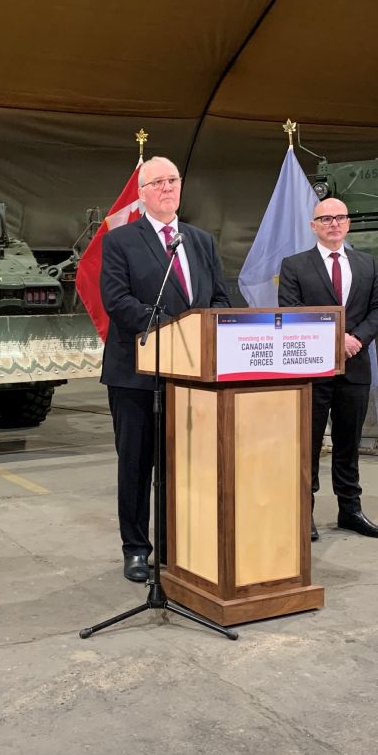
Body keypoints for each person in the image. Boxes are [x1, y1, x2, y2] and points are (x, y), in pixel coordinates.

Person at [100, 156, 231, 582]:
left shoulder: (201, 241)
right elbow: (118, 302)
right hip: (137, 374)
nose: (168, 188)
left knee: (184, 465)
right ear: (142, 193)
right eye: (158, 182)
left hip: (193, 375)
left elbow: (221, 301)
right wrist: (174, 331)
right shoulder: (120, 241)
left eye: (173, 180)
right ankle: (137, 548)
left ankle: (178, 546)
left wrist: (205, 332)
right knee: (137, 465)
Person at [279, 197, 378, 541]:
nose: (333, 224)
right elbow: (291, 310)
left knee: (348, 443)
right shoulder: (295, 265)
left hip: (355, 369)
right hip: (311, 370)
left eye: (339, 217)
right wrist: (334, 337)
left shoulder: (367, 263)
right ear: (314, 226)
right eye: (325, 219)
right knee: (307, 444)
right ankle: (302, 512)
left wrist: (356, 338)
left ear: (348, 223)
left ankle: (350, 510)